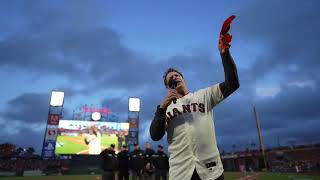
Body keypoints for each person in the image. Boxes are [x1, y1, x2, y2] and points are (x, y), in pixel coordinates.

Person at [149, 15, 239, 180]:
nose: (175, 78)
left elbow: (232, 83)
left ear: (183, 79)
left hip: (210, 170)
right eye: (171, 78)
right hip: (180, 173)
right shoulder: (165, 108)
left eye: (177, 75)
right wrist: (161, 108)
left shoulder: (203, 95)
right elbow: (155, 135)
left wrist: (225, 53)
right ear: (167, 86)